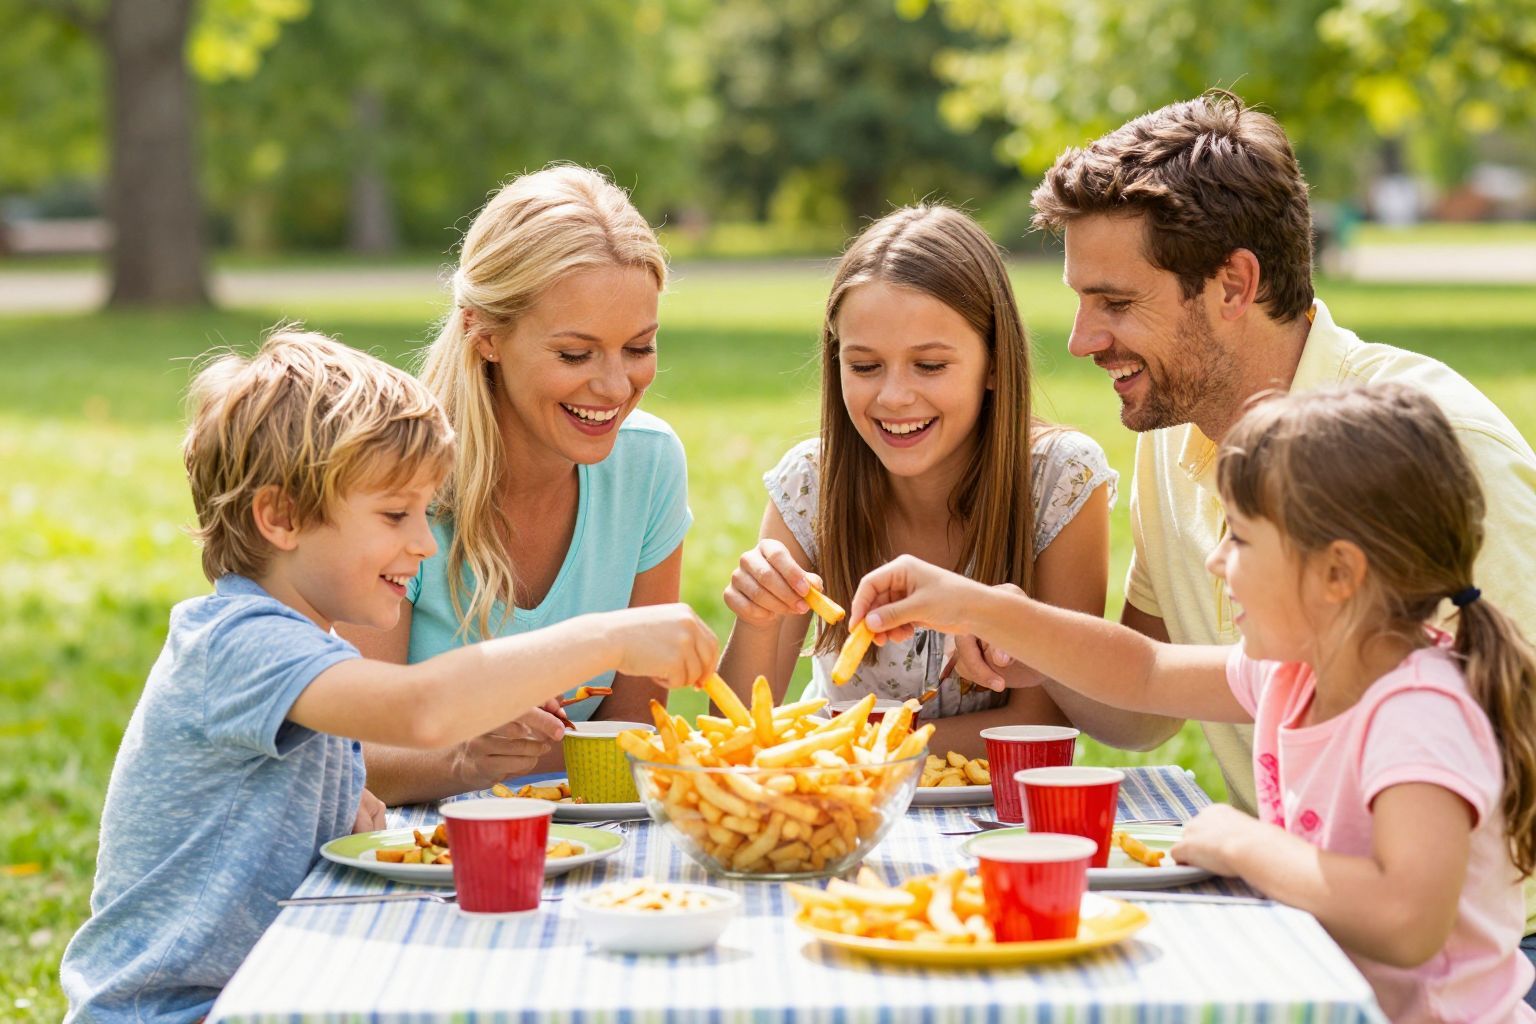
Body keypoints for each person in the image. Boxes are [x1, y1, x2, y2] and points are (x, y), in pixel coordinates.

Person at [59, 332, 716, 1023]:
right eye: (395, 514)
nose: (425, 542)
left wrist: (339, 803)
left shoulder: (300, 646)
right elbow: (422, 710)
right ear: (280, 516)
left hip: (269, 990)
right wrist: (606, 637)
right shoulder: (238, 644)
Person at [1023, 90, 1536, 959]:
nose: (1080, 340)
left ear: (1235, 284)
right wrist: (1006, 627)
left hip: (1480, 956)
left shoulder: (1434, 453)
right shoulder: (1174, 428)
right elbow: (1147, 696)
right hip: (1301, 916)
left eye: (1113, 301)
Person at [851, 383, 1536, 1023]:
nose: (1215, 561)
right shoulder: (1297, 675)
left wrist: (1247, 842)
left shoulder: (1418, 714)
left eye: (1238, 538)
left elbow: (1407, 921)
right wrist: (983, 609)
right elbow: (1144, 670)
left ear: (1338, 573)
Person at [718, 203, 1119, 757]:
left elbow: (1041, 723)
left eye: (929, 366)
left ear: (996, 363)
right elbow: (734, 731)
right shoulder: (811, 484)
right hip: (843, 810)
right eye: (864, 366)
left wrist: (837, 744)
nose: (893, 397)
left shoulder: (1061, 480)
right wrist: (758, 618)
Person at [346, 165, 693, 804]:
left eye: (639, 347)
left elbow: (636, 726)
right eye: (574, 354)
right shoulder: (393, 481)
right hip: (416, 847)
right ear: (486, 335)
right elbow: (346, 752)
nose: (616, 388)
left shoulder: (648, 465)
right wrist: (464, 756)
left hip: (580, 842)